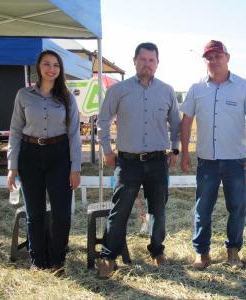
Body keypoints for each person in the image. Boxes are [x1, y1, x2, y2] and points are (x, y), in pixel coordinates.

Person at [96, 42, 181, 278]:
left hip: (157, 162)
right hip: (128, 162)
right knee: (119, 211)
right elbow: (102, 122)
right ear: (134, 61)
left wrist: (174, 149)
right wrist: (106, 149)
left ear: (157, 63)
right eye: (143, 60)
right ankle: (108, 257)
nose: (147, 64)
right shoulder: (119, 90)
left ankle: (157, 250)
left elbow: (176, 123)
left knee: (158, 211)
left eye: (151, 60)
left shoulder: (167, 91)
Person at [180, 40, 246, 269]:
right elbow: (186, 121)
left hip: (235, 160)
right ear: (204, 60)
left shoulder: (243, 86)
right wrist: (185, 152)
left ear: (228, 57)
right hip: (206, 161)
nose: (213, 61)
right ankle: (201, 253)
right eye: (209, 57)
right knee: (202, 207)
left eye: (218, 56)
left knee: (237, 208)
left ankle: (233, 251)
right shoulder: (197, 88)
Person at [7, 50, 81, 275]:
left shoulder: (68, 98)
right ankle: (37, 260)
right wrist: (12, 165)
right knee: (34, 212)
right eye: (47, 64)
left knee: (61, 212)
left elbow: (75, 134)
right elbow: (15, 130)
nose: (51, 69)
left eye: (56, 65)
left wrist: (75, 167)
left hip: (59, 156)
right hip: (30, 156)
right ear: (38, 67)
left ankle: (58, 259)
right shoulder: (24, 95)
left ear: (61, 70)